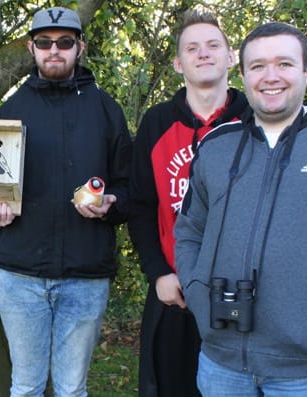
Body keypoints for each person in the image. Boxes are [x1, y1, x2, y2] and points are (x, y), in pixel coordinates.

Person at [175, 22, 307, 396]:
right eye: (257, 66)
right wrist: (196, 289)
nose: (270, 77)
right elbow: (190, 228)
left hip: (304, 370)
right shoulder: (216, 145)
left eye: (284, 64)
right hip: (221, 362)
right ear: (241, 74)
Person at [0, 6, 132, 397]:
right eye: (45, 42)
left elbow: (131, 189)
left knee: (71, 389)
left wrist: (111, 203)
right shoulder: (10, 112)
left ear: (80, 47)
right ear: (31, 48)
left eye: (64, 42)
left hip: (85, 276)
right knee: (26, 387)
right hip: (20, 275)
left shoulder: (106, 110)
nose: (54, 50)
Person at [128, 9, 248, 397]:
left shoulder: (255, 120)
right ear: (179, 63)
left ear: (231, 57)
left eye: (213, 45)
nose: (203, 54)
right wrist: (158, 272)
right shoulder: (158, 122)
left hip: (242, 293)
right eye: (192, 48)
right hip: (174, 290)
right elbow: (141, 205)